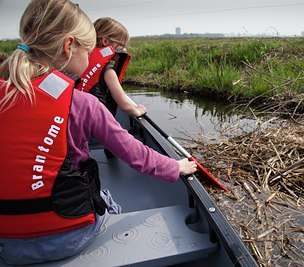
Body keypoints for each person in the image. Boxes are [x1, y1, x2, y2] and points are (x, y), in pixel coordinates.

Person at [0, 0, 197, 265]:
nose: (91, 56)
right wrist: (175, 167)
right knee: (104, 198)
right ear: (69, 46)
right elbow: (134, 153)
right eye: (88, 49)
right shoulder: (83, 104)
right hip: (70, 236)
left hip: (6, 244)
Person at [77, 17, 146, 118]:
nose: (124, 50)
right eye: (121, 45)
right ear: (105, 41)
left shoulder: (79, 61)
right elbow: (125, 106)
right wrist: (139, 110)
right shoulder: (108, 71)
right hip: (96, 123)